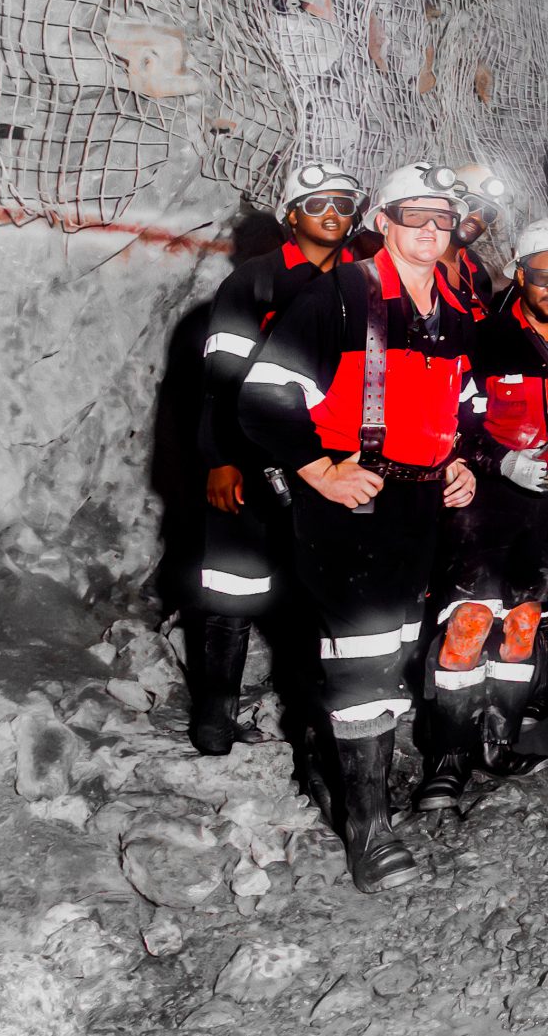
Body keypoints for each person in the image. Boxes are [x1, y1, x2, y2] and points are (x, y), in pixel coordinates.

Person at [239, 162, 481, 892]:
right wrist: (318, 470)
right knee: (363, 655)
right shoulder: (339, 295)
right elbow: (265, 395)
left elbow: (465, 401)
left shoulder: (450, 309)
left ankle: (333, 771)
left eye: (443, 219)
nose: (430, 230)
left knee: (395, 648)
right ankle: (367, 832)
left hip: (420, 504)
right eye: (415, 216)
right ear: (383, 222)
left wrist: (461, 459)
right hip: (353, 502)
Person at [416, 218, 548, 809]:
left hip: (547, 506)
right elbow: (449, 419)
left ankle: (497, 745)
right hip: (485, 505)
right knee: (469, 622)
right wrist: (498, 461)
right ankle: (448, 759)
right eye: (545, 277)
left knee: (522, 625)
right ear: (521, 274)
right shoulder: (485, 337)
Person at [188, 159, 362, 757]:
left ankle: (314, 723)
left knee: (314, 592)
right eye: (317, 205)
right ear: (292, 216)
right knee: (233, 585)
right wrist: (220, 459)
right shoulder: (254, 282)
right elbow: (220, 381)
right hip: (250, 453)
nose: (331, 214)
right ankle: (215, 717)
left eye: (342, 204)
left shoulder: (359, 287)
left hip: (324, 461)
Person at [444, 164, 512, 308]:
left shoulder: (472, 263)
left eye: (488, 213)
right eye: (471, 204)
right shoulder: (419, 259)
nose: (477, 217)